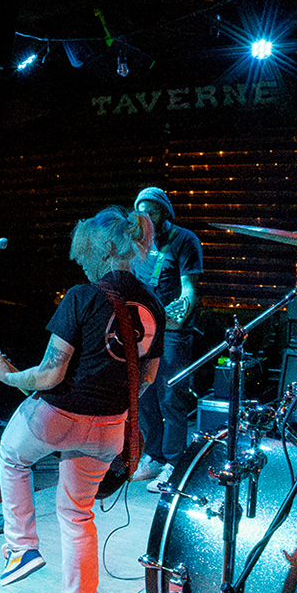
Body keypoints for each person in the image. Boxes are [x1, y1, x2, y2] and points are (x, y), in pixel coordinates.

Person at [0, 208, 164, 593]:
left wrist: (8, 377)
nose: (81, 261)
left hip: (60, 415)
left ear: (103, 249)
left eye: (85, 251)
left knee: (11, 456)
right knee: (77, 513)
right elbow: (147, 378)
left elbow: (51, 374)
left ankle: (21, 548)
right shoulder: (154, 305)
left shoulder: (82, 296)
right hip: (111, 428)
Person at [127, 186, 202, 490]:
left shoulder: (184, 240)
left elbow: (190, 291)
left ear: (165, 211)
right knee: (143, 394)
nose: (146, 216)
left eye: (152, 210)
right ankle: (154, 456)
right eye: (141, 211)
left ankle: (174, 463)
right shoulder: (137, 243)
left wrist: (176, 316)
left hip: (173, 331)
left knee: (171, 396)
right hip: (142, 329)